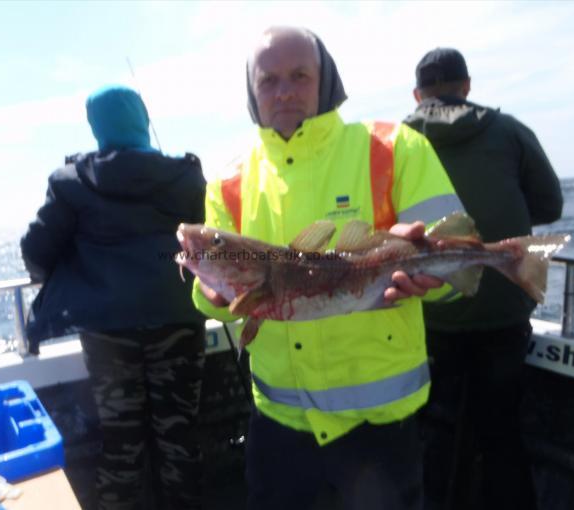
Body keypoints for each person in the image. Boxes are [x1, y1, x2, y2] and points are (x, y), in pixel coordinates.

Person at [191, 27, 465, 510]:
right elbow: (213, 289)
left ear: (326, 80)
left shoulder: (394, 146)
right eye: (268, 80)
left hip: (380, 430)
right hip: (280, 429)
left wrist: (433, 280)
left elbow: (459, 260)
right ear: (252, 93)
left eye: (299, 75)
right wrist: (210, 294)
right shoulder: (228, 182)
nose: (284, 91)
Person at [20, 85, 207, 510]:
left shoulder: (71, 182)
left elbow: (37, 250)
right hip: (177, 318)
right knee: (178, 434)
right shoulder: (186, 176)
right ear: (142, 120)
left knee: (122, 439)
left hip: (107, 332)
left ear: (96, 125)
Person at [404, 48, 564, 510]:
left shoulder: (396, 139)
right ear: (467, 86)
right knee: (501, 435)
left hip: (430, 310)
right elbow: (550, 206)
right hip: (503, 307)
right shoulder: (509, 130)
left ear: (417, 95)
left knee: (432, 435)